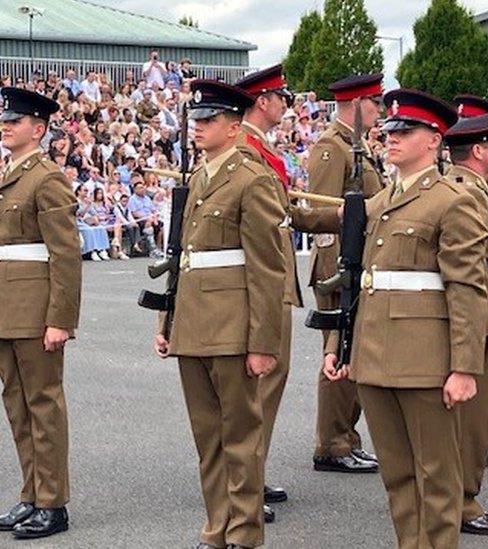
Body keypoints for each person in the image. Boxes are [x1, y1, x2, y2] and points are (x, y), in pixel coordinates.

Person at [316, 88, 486, 549]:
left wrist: (465, 367)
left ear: (435, 139)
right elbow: (356, 282)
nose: (391, 138)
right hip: (374, 358)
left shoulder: (454, 200)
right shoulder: (385, 199)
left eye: (405, 131)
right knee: (398, 477)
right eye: (388, 129)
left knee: (437, 478)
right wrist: (338, 347)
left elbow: (467, 289)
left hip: (426, 362)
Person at [154, 80, 287, 549]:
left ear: (234, 128)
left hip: (233, 325)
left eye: (209, 121)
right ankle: (218, 529)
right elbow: (184, 258)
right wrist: (168, 322)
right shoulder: (201, 179)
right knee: (207, 437)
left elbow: (267, 268)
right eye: (196, 121)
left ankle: (246, 534)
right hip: (195, 323)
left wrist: (262, 342)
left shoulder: (253, 179)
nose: (198, 129)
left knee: (241, 436)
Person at [0, 88, 81, 539]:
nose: (6, 125)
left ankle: (52, 503)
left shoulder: (47, 177)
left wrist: (60, 318)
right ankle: (31, 495)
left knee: (43, 404)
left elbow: (65, 253)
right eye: (5, 120)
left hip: (35, 306)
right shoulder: (11, 174)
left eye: (15, 121)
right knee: (18, 406)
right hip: (6, 303)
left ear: (38, 130)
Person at [291, 74, 385, 474]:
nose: (380, 111)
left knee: (354, 353)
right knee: (339, 351)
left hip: (357, 258)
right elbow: (316, 212)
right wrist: (344, 215)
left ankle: (346, 436)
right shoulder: (332, 148)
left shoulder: (356, 145)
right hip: (336, 262)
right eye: (375, 103)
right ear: (358, 103)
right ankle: (331, 443)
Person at [234, 63, 302, 522]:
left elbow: (280, 215)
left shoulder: (260, 149)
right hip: (259, 281)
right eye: (283, 97)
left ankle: (251, 476)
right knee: (256, 389)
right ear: (264, 100)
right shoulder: (244, 150)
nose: (286, 105)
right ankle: (242, 486)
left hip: (274, 277)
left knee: (266, 388)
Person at [443, 108, 488, 536]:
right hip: (471, 320)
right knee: (471, 421)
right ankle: (463, 503)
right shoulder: (469, 194)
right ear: (478, 150)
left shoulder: (461, 188)